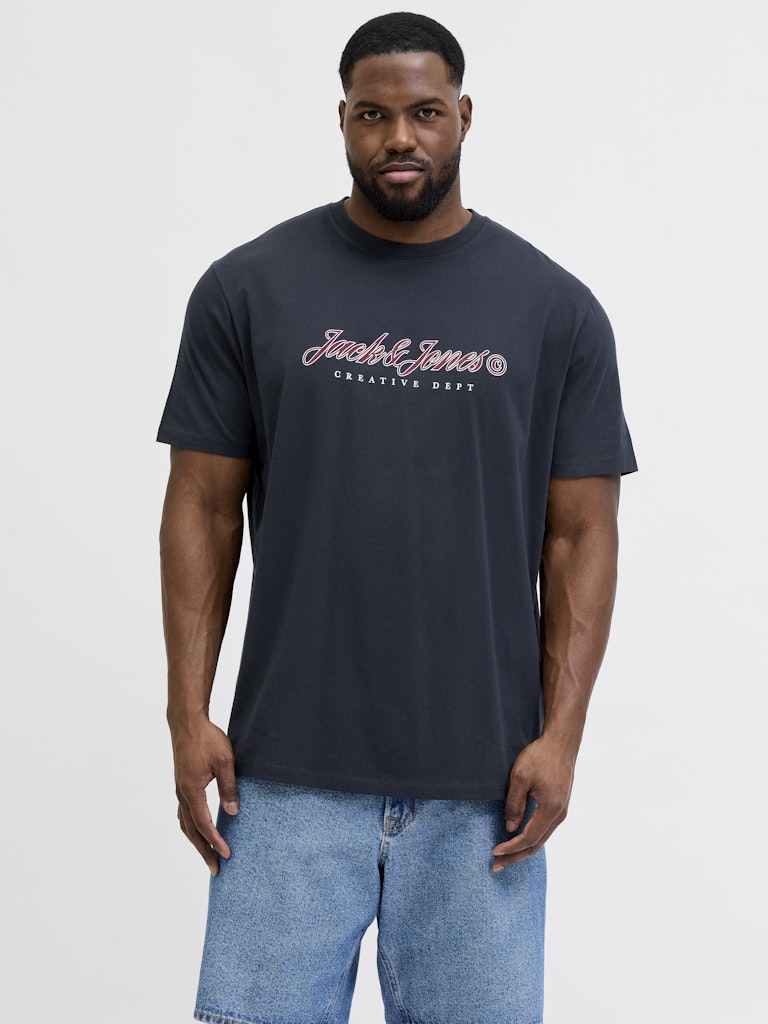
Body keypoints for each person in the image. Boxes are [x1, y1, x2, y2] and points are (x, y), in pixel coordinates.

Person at [157, 11, 637, 1024]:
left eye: (425, 112)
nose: (400, 137)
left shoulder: (554, 310)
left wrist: (563, 738)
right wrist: (186, 713)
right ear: (342, 120)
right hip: (280, 779)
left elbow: (581, 535)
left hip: (486, 791)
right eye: (373, 115)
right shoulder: (248, 289)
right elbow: (202, 505)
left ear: (464, 115)